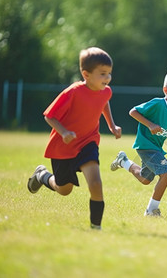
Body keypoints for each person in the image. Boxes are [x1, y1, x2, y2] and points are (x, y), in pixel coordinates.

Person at [27, 47, 122, 230]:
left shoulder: (106, 91)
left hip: (88, 142)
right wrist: (64, 133)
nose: (107, 78)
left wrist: (112, 125)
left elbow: (104, 102)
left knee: (95, 183)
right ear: (86, 74)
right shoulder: (73, 92)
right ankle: (42, 175)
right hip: (63, 147)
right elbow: (49, 115)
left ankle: (96, 228)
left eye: (109, 73)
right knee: (64, 189)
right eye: (102, 74)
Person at [110, 68, 167, 217]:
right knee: (166, 176)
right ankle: (151, 210)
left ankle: (124, 161)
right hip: (146, 146)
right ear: (166, 90)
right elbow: (133, 112)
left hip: (156, 149)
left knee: (145, 179)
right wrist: (150, 125)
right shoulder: (158, 104)